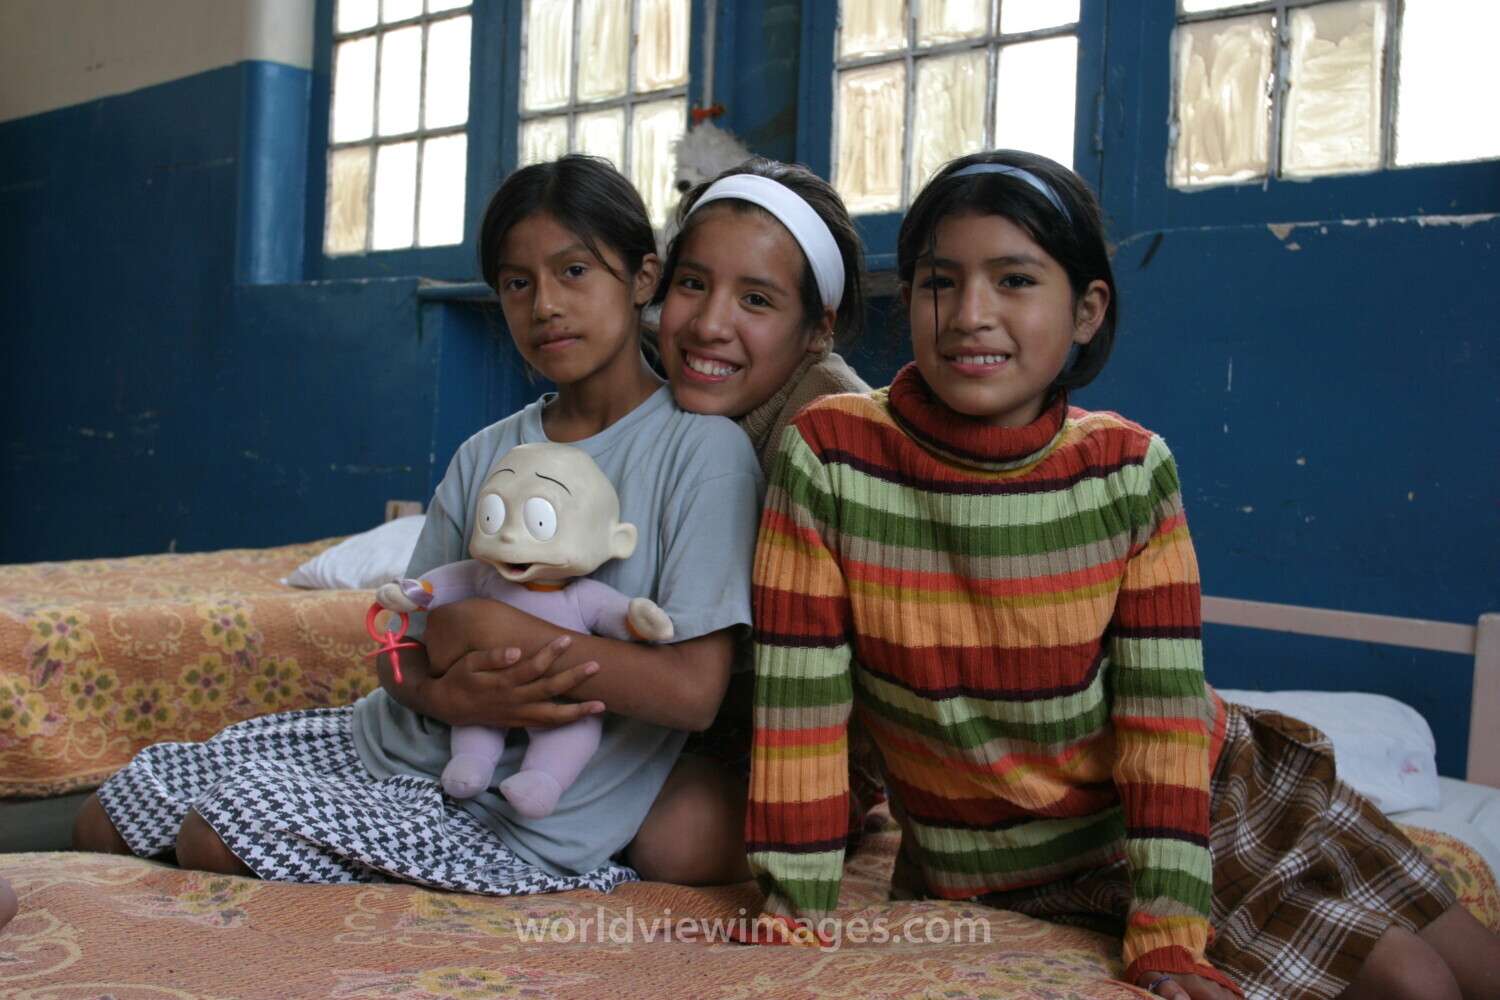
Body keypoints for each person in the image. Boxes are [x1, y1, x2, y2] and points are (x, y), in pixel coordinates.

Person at [742, 149, 1500, 1000]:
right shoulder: (831, 455)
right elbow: (802, 707)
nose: (969, 314)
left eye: (1016, 280)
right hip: (1001, 867)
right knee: (1411, 982)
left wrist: (1170, 935)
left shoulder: (1131, 470)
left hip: (1206, 809)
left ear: (1087, 311)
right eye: (938, 282)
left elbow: (1166, 719)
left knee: (1468, 969)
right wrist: (795, 911)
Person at [72, 154, 764, 897]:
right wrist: (441, 697)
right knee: (114, 809)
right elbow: (394, 641)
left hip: (517, 809)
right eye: (516, 283)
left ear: (642, 279)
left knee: (219, 831)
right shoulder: (486, 452)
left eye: (574, 272)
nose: (545, 306)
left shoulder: (700, 452)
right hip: (385, 737)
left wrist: (486, 627)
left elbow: (693, 693)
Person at [424, 158, 879, 886]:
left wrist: (500, 632)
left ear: (816, 329)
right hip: (646, 717)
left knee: (679, 840)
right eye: (692, 285)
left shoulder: (834, 433)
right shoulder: (572, 428)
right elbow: (422, 629)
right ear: (657, 285)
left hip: (790, 732)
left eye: (756, 300)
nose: (708, 324)